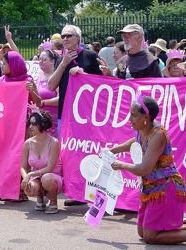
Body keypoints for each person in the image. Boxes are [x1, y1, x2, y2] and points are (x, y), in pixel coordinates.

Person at [109, 95, 186, 244]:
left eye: (133, 115)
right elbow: (135, 141)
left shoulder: (158, 135)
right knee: (142, 233)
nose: (129, 119)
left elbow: (144, 169)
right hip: (149, 187)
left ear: (146, 117)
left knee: (150, 237)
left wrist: (120, 165)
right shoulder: (142, 128)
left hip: (165, 189)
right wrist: (113, 150)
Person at [48, 24, 102, 207]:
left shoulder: (89, 56)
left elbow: (102, 84)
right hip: (66, 114)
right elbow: (51, 86)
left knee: (88, 152)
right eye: (62, 36)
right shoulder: (60, 59)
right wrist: (63, 64)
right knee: (69, 154)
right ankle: (76, 193)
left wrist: (83, 74)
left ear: (78, 38)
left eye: (69, 36)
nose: (64, 39)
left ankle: (92, 192)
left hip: (87, 116)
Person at [21, 108, 63, 214]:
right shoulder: (28, 143)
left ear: (43, 124)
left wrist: (30, 174)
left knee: (47, 178)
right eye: (29, 123)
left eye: (34, 124)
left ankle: (53, 200)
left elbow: (49, 168)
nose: (30, 127)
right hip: (36, 177)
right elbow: (22, 166)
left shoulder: (53, 142)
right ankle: (40, 197)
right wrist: (26, 178)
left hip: (52, 177)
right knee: (29, 188)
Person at [26, 49, 59, 138]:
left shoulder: (57, 78)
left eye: (44, 59)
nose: (40, 61)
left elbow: (60, 99)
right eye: (40, 59)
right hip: (36, 120)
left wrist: (43, 102)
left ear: (52, 61)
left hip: (51, 122)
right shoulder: (36, 77)